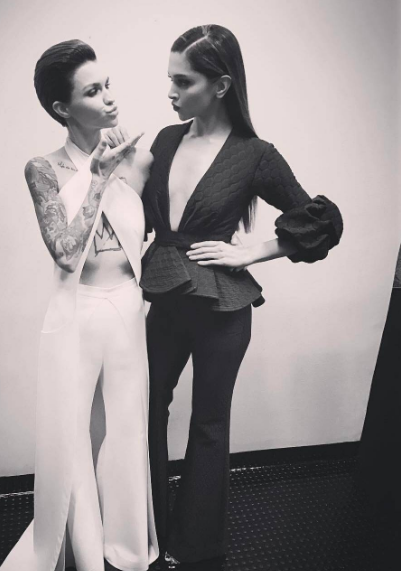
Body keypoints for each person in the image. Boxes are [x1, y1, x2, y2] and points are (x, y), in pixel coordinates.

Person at [139, 25, 344, 565]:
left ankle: (194, 549)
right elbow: (137, 216)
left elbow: (321, 221)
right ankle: (146, 535)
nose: (170, 92)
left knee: (209, 424)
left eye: (183, 81)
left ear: (221, 85)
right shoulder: (164, 140)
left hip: (222, 309)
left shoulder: (255, 154)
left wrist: (252, 252)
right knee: (145, 409)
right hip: (167, 296)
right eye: (170, 79)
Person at [0, 39, 158, 571]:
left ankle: (127, 548)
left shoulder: (139, 159)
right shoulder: (43, 169)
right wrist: (99, 175)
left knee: (127, 428)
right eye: (92, 91)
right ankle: (84, 552)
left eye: (107, 85)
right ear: (62, 108)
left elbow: (153, 238)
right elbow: (66, 253)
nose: (109, 98)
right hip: (77, 312)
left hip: (128, 308)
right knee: (71, 434)